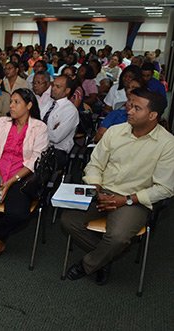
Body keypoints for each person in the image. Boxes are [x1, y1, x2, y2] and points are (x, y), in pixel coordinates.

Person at [61, 88, 174, 285]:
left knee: (118, 237)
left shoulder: (167, 144)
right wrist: (96, 189)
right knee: (68, 220)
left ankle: (89, 264)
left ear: (153, 115)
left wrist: (126, 199)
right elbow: (95, 164)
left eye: (137, 108)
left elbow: (165, 188)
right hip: (102, 192)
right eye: (130, 105)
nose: (129, 111)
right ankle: (104, 258)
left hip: (134, 199)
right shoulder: (115, 132)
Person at [0, 88, 49, 263]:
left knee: (18, 214)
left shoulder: (39, 127)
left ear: (29, 105)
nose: (11, 105)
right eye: (11, 101)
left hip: (21, 178)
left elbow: (34, 161)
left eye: (16, 102)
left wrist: (10, 182)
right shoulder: (3, 123)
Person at [41, 75, 79, 168]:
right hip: (40, 145)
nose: (53, 88)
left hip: (56, 152)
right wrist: (50, 128)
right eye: (53, 85)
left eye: (58, 87)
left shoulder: (70, 111)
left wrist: (38, 130)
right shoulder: (48, 103)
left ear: (67, 91)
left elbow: (56, 137)